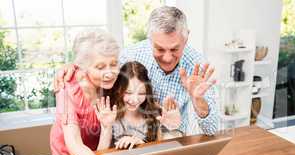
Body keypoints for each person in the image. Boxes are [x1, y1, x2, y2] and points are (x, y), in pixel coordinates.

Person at [54, 6, 218, 136]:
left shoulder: (198, 67)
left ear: (186, 37)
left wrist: (199, 101)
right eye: (160, 49)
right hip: (128, 137)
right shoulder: (131, 55)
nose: (167, 58)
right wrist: (75, 65)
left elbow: (211, 130)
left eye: (174, 49)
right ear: (149, 38)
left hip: (171, 136)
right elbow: (100, 63)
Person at [50, 29, 122, 155]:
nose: (109, 73)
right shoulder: (66, 87)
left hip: (99, 153)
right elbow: (74, 143)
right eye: (100, 67)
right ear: (83, 67)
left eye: (114, 64)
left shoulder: (111, 85)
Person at [95, 61, 181, 150]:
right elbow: (100, 153)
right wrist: (106, 127)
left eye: (141, 93)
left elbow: (159, 151)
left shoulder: (154, 113)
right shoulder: (109, 113)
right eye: (128, 92)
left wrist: (141, 144)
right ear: (119, 89)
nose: (134, 100)